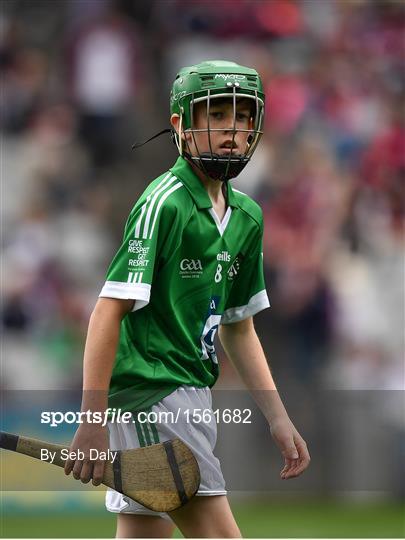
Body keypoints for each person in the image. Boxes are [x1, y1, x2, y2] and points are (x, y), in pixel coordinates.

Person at [65, 60, 310, 538]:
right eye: (216, 116)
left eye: (243, 118)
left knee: (143, 534)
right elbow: (107, 311)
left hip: (191, 395)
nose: (232, 131)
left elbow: (239, 327)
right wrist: (91, 421)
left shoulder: (246, 216)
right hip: (153, 395)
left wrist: (278, 419)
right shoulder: (165, 202)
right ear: (180, 124)